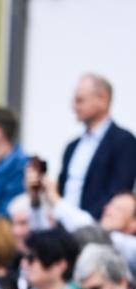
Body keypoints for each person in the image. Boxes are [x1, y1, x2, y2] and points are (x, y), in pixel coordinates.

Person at [58, 74, 136, 220]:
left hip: (96, 230)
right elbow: (62, 190)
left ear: (103, 99)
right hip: (64, 229)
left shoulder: (123, 141)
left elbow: (118, 192)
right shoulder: (72, 147)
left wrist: (82, 223)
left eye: (79, 100)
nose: (74, 107)